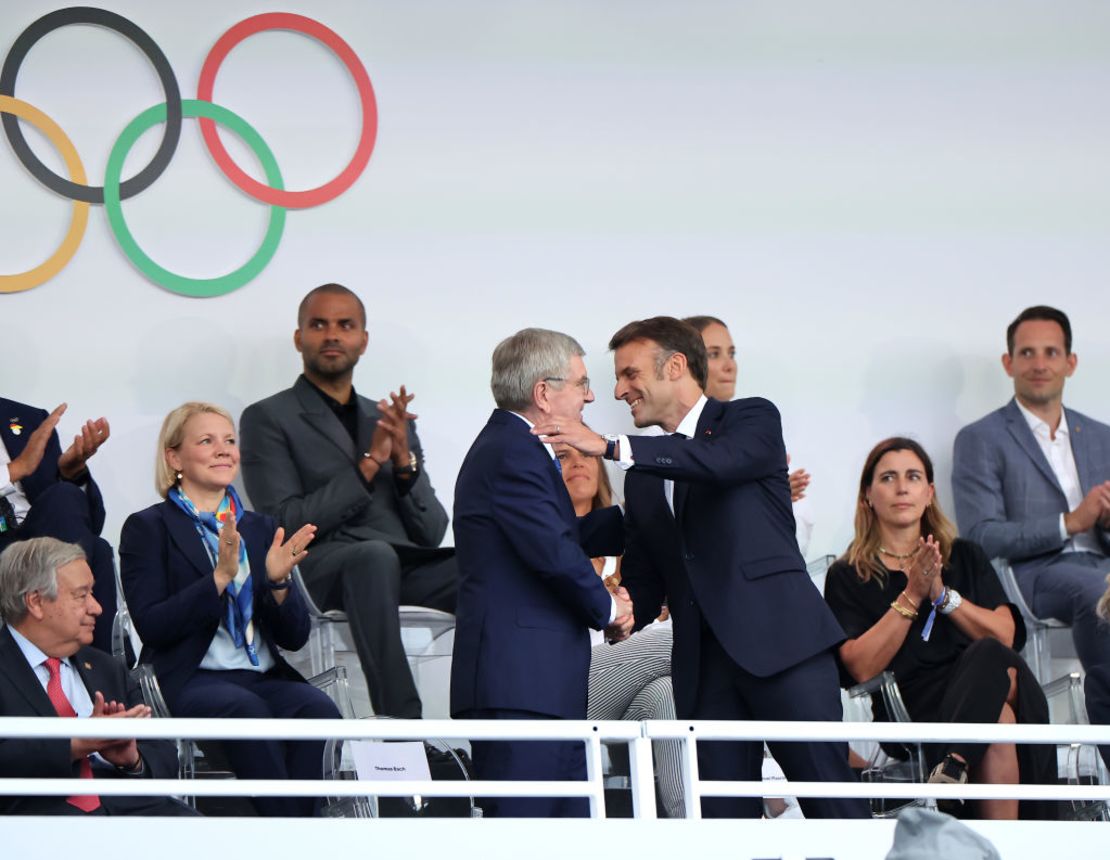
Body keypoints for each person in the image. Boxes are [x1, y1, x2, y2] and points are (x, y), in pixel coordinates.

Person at [538, 316, 868, 819]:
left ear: (674, 366)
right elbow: (647, 582)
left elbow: (718, 461)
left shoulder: (750, 419)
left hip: (784, 653)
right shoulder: (645, 479)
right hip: (703, 671)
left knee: (834, 810)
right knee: (721, 827)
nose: (619, 389)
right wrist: (616, 610)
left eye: (629, 374)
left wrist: (608, 446)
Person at [240, 283, 456, 719]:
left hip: (398, 565)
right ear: (299, 338)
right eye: (319, 324)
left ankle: (485, 720)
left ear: (363, 340)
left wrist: (403, 463)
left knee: (484, 567)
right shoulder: (267, 417)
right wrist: (369, 465)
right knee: (373, 557)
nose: (332, 335)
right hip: (321, 571)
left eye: (345, 325)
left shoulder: (389, 418)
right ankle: (403, 727)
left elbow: (431, 532)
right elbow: (285, 521)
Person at [119, 402, 340, 817]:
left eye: (230, 441)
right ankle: (294, 836)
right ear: (174, 457)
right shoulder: (147, 527)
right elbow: (153, 625)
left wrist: (276, 583)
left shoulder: (258, 527)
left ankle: (292, 832)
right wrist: (219, 578)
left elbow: (294, 638)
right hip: (191, 677)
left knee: (318, 708)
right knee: (246, 711)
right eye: (207, 441)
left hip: (260, 675)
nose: (224, 450)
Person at [825, 437, 1057, 820]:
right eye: (888, 478)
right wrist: (913, 594)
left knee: (989, 654)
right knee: (998, 717)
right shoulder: (849, 574)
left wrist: (944, 596)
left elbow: (1006, 637)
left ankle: (952, 766)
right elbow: (859, 667)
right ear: (868, 495)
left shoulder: (964, 555)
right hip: (918, 707)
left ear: (929, 492)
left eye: (913, 476)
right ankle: (959, 773)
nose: (902, 487)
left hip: (991, 685)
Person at [451, 328, 631, 818]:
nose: (591, 395)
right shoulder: (513, 451)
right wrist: (608, 606)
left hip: (539, 686)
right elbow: (552, 551)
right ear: (544, 393)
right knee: (529, 841)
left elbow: (554, 535)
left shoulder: (515, 447)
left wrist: (652, 521)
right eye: (581, 383)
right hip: (519, 688)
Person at [952, 305, 1110, 749]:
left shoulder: (1103, 436)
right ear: (1009, 363)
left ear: (1070, 362)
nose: (1039, 364)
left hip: (1101, 565)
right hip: (1035, 574)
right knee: (1098, 591)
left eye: (1051, 352)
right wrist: (1068, 524)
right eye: (1027, 353)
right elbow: (981, 535)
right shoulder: (981, 438)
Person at [0, 537, 190, 816]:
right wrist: (74, 745)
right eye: (81, 595)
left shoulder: (106, 667)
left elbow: (163, 756)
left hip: (129, 812)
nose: (97, 608)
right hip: (36, 821)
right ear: (36, 602)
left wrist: (131, 760)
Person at [556, 441, 683, 818]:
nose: (578, 463)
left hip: (627, 695)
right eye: (563, 456)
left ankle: (693, 835)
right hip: (568, 689)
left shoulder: (632, 547)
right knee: (685, 637)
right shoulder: (543, 545)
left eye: (587, 455)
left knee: (668, 694)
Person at [682, 316, 814, 554]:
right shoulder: (657, 438)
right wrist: (763, 497)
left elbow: (798, 543)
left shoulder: (759, 433)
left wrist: (778, 499)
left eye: (731, 354)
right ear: (683, 363)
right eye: (713, 354)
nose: (729, 365)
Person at [1, 397, 115, 651]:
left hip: (37, 543)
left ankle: (101, 672)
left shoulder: (28, 418)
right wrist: (13, 471)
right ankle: (98, 669)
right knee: (98, 550)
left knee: (66, 497)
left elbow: (89, 524)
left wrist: (71, 474)